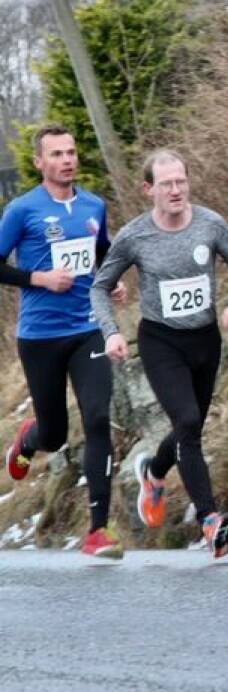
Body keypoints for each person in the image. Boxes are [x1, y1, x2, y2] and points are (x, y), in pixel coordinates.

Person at [90, 149, 228, 559]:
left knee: (190, 430)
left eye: (181, 181)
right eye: (166, 184)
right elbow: (99, 286)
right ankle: (211, 519)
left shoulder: (211, 224)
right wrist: (111, 333)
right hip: (160, 341)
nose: (176, 189)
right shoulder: (134, 236)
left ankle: (154, 471)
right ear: (149, 190)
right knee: (187, 420)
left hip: (206, 339)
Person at [0, 122, 126, 559]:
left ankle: (98, 531)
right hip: (39, 337)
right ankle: (30, 438)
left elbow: (103, 252)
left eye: (71, 152)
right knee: (54, 434)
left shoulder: (93, 205)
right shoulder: (21, 210)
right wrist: (39, 278)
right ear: (40, 163)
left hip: (88, 328)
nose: (67, 160)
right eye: (56, 154)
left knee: (96, 418)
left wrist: (111, 283)